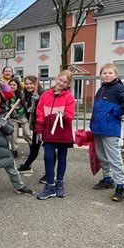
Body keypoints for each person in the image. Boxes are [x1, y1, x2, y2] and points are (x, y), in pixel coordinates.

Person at [90, 63, 124, 202]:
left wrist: (116, 112)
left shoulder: (118, 88)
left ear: (116, 75)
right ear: (101, 76)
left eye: (110, 73)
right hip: (98, 128)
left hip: (110, 129)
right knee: (102, 156)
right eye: (104, 73)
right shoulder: (101, 89)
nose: (107, 75)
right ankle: (107, 179)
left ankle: (120, 186)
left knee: (114, 158)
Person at [35, 70, 75, 200]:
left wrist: (64, 115)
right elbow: (40, 113)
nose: (61, 83)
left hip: (63, 133)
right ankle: (50, 185)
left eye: (65, 82)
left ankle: (59, 183)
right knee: (48, 157)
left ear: (68, 84)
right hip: (49, 132)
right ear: (56, 79)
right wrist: (39, 130)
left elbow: (70, 115)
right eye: (60, 80)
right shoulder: (45, 95)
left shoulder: (69, 97)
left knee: (62, 158)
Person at [17, 76, 45, 180]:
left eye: (31, 83)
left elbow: (46, 106)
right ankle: (27, 165)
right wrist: (29, 111)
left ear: (36, 83)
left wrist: (39, 100)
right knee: (35, 146)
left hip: (44, 126)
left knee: (47, 150)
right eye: (27, 83)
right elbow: (27, 110)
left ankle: (49, 174)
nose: (29, 85)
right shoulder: (27, 95)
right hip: (37, 125)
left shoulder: (42, 93)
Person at [6, 78, 31, 159]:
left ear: (17, 86)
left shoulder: (22, 94)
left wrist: (22, 110)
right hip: (12, 118)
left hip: (22, 116)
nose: (12, 86)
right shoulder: (7, 95)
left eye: (14, 85)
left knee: (27, 133)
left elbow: (26, 104)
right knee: (13, 135)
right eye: (10, 85)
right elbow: (5, 106)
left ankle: (32, 146)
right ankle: (14, 150)